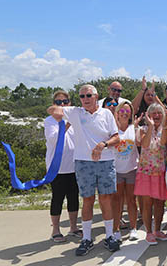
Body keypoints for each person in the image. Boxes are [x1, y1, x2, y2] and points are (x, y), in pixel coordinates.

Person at [47, 84, 121, 256]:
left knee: (105, 199)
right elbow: (52, 110)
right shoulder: (76, 112)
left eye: (89, 95)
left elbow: (116, 137)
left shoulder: (106, 114)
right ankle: (87, 238)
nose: (86, 99)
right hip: (83, 162)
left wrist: (103, 145)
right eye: (82, 96)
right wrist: (61, 108)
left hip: (105, 161)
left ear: (96, 96)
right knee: (87, 200)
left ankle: (109, 235)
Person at [44, 90, 80, 243]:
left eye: (65, 102)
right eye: (58, 102)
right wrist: (65, 124)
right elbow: (53, 139)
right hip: (57, 167)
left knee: (74, 198)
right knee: (57, 199)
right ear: (54, 104)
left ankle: (73, 227)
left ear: (69, 103)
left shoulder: (75, 118)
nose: (62, 105)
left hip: (74, 165)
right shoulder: (49, 121)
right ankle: (56, 229)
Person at [135, 103, 167, 245]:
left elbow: (163, 143)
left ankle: (157, 230)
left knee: (160, 203)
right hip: (146, 172)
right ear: (148, 115)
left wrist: (163, 125)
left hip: (160, 171)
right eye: (153, 113)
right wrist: (150, 127)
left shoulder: (165, 130)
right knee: (147, 204)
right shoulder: (142, 129)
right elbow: (144, 144)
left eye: (159, 113)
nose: (156, 115)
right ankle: (148, 232)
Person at [111, 101, 140, 243]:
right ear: (117, 113)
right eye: (121, 111)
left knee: (131, 200)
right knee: (116, 201)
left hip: (131, 169)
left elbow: (139, 143)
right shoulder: (112, 129)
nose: (124, 114)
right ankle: (115, 229)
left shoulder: (133, 128)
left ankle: (133, 228)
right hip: (116, 170)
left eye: (127, 112)